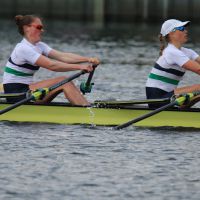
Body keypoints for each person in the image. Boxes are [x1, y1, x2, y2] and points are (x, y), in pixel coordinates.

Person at [3, 14, 100, 105]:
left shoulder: (40, 46)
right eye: (39, 27)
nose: (42, 30)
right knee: (64, 81)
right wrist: (80, 67)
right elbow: (51, 65)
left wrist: (88, 59)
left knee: (64, 81)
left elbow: (63, 56)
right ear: (27, 28)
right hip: (15, 94)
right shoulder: (23, 48)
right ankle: (86, 111)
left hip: (27, 91)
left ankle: (85, 107)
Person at [146, 19, 200, 108]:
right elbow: (198, 69)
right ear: (171, 33)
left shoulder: (188, 52)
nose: (186, 31)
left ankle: (182, 113)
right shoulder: (171, 52)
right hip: (157, 99)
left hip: (169, 97)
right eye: (182, 28)